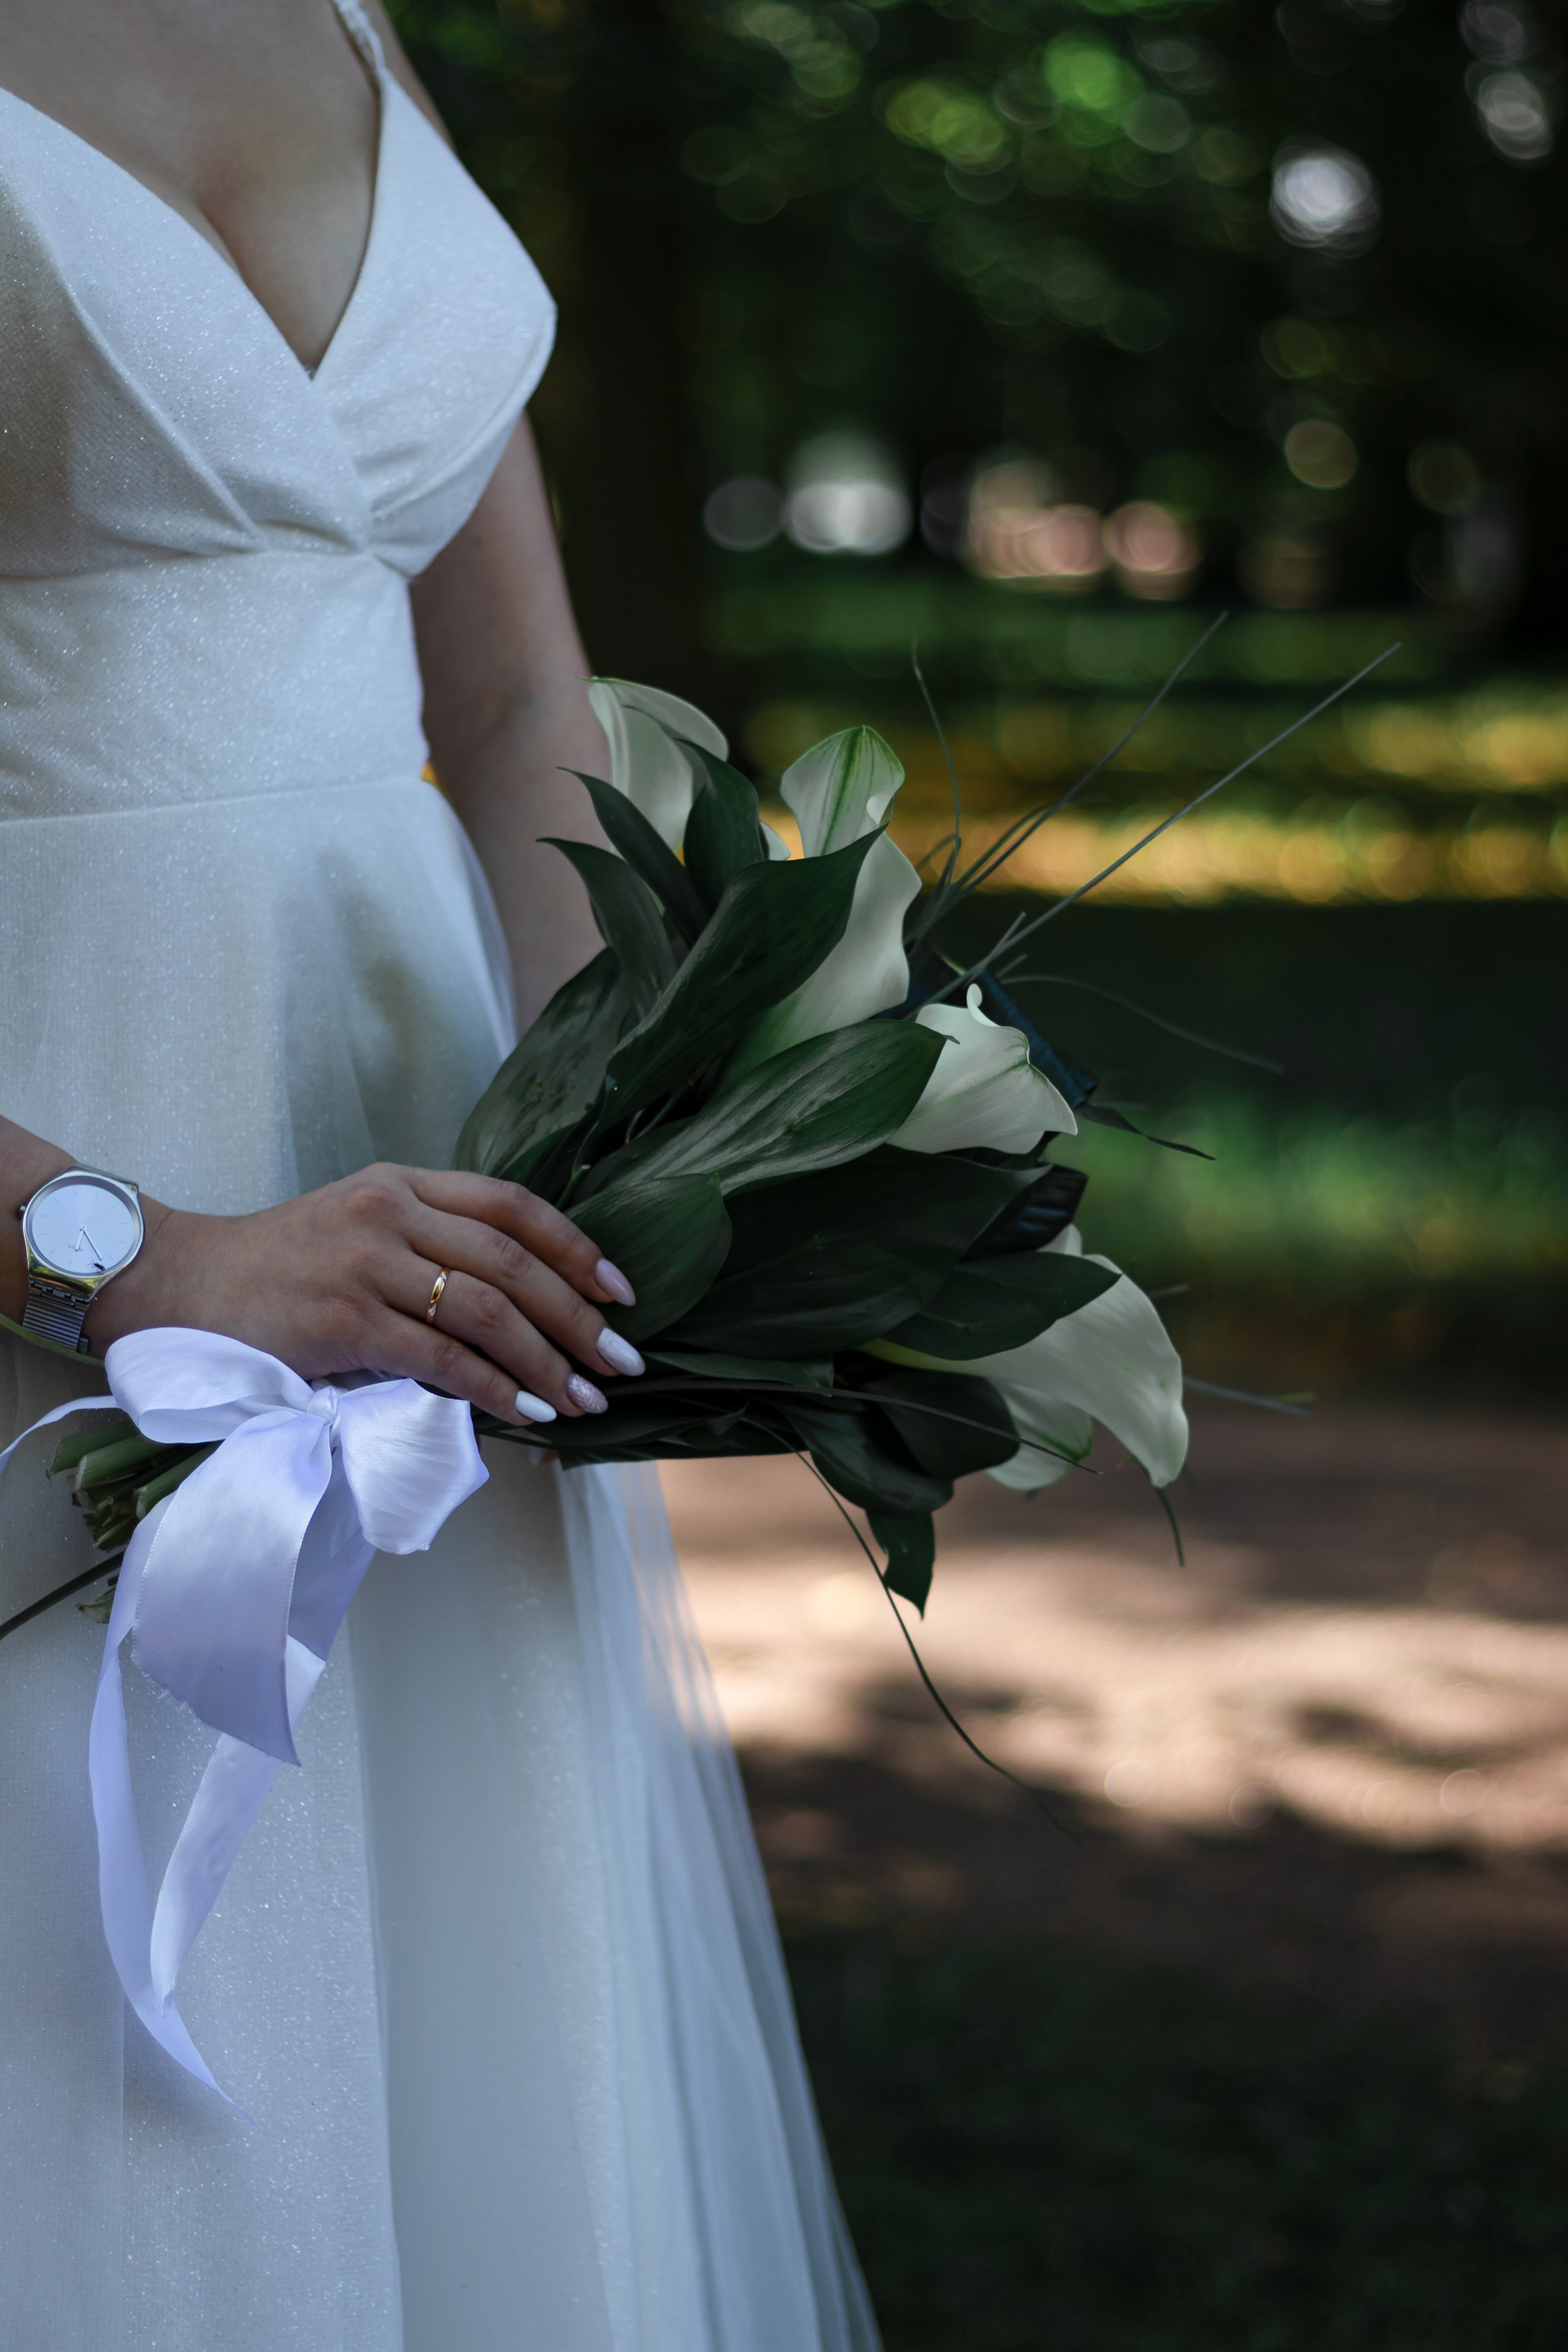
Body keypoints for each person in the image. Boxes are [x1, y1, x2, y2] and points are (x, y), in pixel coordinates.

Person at [0, 2, 880, 2343]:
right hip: (65, 1175)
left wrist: (636, 1159)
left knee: (469, 2023)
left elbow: (512, 712)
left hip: (431, 1226)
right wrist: (123, 1253)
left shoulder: (350, 15)